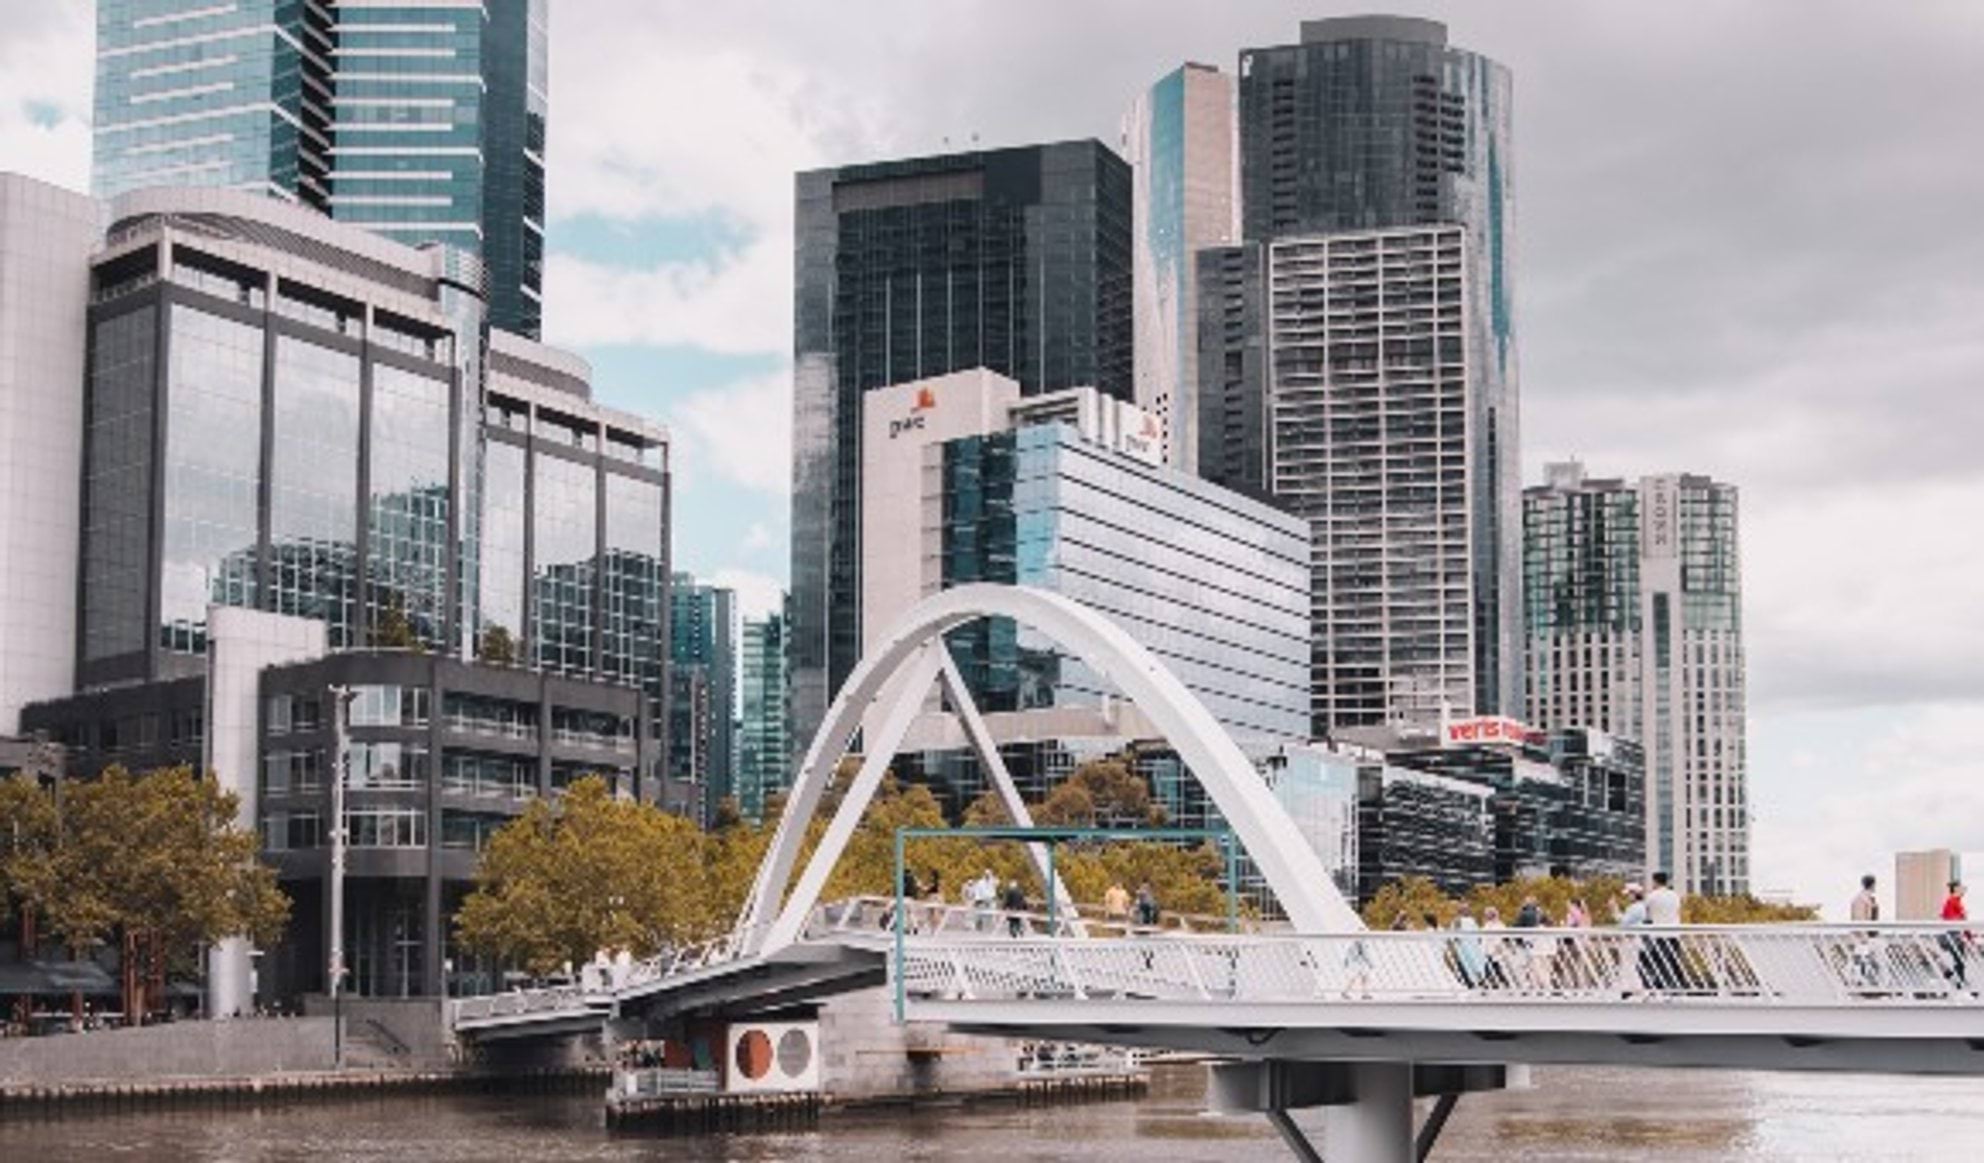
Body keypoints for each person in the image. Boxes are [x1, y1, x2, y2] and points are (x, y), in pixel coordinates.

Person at [1644, 872, 1685, 991]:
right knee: (1674, 960)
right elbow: (1677, 910)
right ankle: (1678, 984)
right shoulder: (1674, 895)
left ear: (1655, 881)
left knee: (1656, 960)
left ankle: (1658, 984)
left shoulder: (1652, 896)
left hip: (1659, 932)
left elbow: (1647, 913)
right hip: (1674, 932)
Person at [1940, 881, 1971, 991]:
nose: (1964, 890)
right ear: (1956, 889)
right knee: (1959, 961)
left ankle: (1957, 981)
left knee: (1959, 961)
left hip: (1955, 935)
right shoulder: (1952, 901)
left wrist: (1968, 935)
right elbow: (1949, 919)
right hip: (1954, 936)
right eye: (1962, 888)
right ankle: (1959, 984)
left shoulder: (1956, 901)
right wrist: (1963, 916)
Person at [1451, 903, 1486, 990]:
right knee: (1472, 963)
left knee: (1472, 964)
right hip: (1467, 946)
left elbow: (1454, 936)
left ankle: (1476, 981)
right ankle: (1476, 980)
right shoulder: (1459, 921)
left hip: (1469, 946)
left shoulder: (1466, 920)